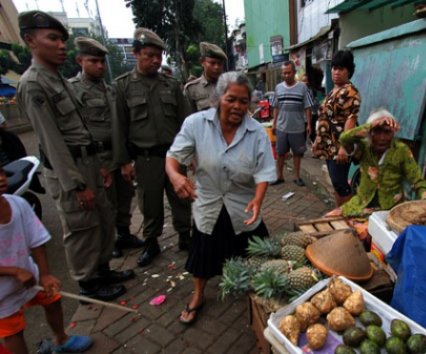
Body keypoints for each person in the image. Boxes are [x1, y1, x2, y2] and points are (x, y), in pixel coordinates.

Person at [16, 10, 131, 301]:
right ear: (30, 40)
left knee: (103, 219)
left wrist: (102, 166)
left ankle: (102, 270)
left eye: (62, 39)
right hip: (70, 170)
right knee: (81, 227)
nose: (61, 45)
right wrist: (76, 184)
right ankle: (87, 283)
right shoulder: (33, 84)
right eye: (52, 38)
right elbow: (52, 141)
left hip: (91, 162)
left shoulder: (59, 80)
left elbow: (83, 127)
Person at [166, 72, 276, 324]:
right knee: (202, 251)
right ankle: (198, 295)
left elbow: (264, 171)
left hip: (243, 202)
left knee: (256, 251)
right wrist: (175, 176)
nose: (238, 106)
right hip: (208, 200)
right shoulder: (195, 124)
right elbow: (174, 156)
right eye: (231, 99)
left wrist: (258, 199)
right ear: (218, 99)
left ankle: (259, 291)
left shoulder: (257, 132)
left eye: (244, 101)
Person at [113, 28, 192, 267]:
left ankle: (185, 237)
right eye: (149, 55)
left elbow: (186, 122)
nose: (156, 60)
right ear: (136, 53)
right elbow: (119, 126)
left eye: (159, 56)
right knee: (149, 202)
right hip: (145, 158)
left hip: (174, 155)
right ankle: (151, 242)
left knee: (181, 197)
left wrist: (191, 153)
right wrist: (124, 161)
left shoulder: (172, 85)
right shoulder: (123, 86)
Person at [0, 167, 93, 354]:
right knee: (13, 333)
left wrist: (44, 274)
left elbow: (37, 240)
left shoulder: (19, 204)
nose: (1, 178)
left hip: (30, 274)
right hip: (2, 294)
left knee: (53, 300)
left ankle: (61, 339)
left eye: (1, 172)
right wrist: (15, 272)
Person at [68, 37, 143, 258]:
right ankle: (108, 245)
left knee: (124, 196)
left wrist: (125, 159)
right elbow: (78, 131)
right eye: (94, 61)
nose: (100, 66)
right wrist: (99, 165)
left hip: (118, 153)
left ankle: (124, 234)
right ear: (80, 60)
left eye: (102, 61)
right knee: (105, 202)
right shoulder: (73, 90)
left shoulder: (111, 90)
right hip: (96, 157)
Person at [339, 109, 426, 217]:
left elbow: (417, 181)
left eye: (387, 132)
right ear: (370, 133)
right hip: (361, 205)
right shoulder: (364, 147)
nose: (382, 137)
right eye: (377, 131)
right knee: (328, 219)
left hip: (391, 209)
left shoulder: (401, 150)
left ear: (393, 133)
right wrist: (370, 125)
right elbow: (344, 138)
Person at [312, 50, 361, 206]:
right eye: (334, 68)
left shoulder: (350, 92)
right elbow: (325, 117)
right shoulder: (333, 91)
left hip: (339, 145)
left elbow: (350, 120)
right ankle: (340, 212)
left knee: (340, 184)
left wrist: (344, 148)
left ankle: (347, 215)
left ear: (349, 71)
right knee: (336, 183)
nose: (336, 72)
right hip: (328, 144)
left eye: (341, 68)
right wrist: (318, 140)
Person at [271, 61, 313, 186]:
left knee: (297, 153)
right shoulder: (278, 88)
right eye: (284, 73)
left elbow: (308, 107)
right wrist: (274, 123)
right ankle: (279, 176)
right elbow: (275, 107)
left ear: (294, 72)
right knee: (280, 153)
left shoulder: (303, 87)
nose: (286, 75)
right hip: (281, 127)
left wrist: (309, 124)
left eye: (289, 72)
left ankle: (296, 176)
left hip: (298, 127)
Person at [184, 42, 227, 113]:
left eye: (220, 64)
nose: (216, 67)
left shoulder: (230, 86)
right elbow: (188, 119)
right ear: (202, 62)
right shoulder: (192, 89)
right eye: (212, 63)